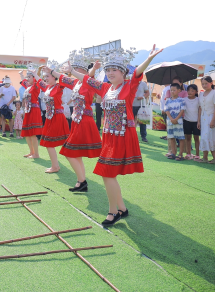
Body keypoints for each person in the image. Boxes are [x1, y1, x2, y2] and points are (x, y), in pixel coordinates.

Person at [54, 45, 163, 225]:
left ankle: (113, 211)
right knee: (108, 173)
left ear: (123, 72)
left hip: (123, 136)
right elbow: (86, 80)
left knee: (107, 173)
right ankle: (122, 208)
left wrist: (150, 58)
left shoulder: (129, 86)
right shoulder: (105, 88)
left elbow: (137, 72)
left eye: (114, 70)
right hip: (109, 138)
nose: (110, 73)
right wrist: (72, 71)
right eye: (108, 70)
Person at [48, 53, 100, 192]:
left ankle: (82, 181)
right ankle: (81, 181)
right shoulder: (76, 83)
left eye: (77, 69)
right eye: (74, 68)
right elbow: (62, 77)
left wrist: (93, 69)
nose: (75, 71)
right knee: (75, 153)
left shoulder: (89, 81)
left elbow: (90, 75)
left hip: (84, 120)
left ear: (84, 71)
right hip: (77, 120)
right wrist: (51, 71)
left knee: (69, 152)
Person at [31, 67, 69, 173]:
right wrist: (35, 74)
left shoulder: (59, 86)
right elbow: (40, 82)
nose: (45, 78)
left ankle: (55, 166)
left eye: (47, 76)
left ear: (54, 77)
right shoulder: (48, 88)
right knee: (49, 143)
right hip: (50, 118)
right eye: (45, 77)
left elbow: (65, 79)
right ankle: (55, 166)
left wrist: (53, 71)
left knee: (50, 143)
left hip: (57, 117)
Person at [197, 76, 215, 164]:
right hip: (203, 117)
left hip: (212, 117)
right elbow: (200, 108)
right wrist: (198, 121)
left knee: (211, 137)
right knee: (204, 137)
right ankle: (205, 157)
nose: (204, 85)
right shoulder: (201, 94)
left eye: (206, 83)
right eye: (203, 84)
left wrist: (213, 120)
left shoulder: (214, 93)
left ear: (211, 83)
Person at [19, 68, 43, 158]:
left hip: (34, 111)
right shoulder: (29, 87)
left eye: (29, 77)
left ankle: (36, 154)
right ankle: (31, 152)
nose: (27, 79)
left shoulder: (36, 86)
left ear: (34, 78)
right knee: (27, 134)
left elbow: (38, 80)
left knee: (33, 134)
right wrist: (21, 75)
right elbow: (24, 82)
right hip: (28, 111)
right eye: (27, 77)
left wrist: (36, 73)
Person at [165, 83, 186, 160]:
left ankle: (180, 154)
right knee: (171, 137)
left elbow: (182, 110)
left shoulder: (182, 100)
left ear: (179, 90)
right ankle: (173, 153)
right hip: (170, 121)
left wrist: (176, 119)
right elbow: (167, 110)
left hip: (178, 122)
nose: (172, 92)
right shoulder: (168, 100)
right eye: (171, 90)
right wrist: (171, 119)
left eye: (174, 90)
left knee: (180, 138)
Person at [183, 84, 200, 160]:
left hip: (196, 122)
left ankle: (197, 154)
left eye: (192, 91)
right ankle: (188, 153)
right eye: (189, 90)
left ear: (196, 92)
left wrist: (199, 121)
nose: (190, 92)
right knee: (188, 138)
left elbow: (200, 110)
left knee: (196, 138)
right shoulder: (184, 100)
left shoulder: (198, 100)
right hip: (187, 121)